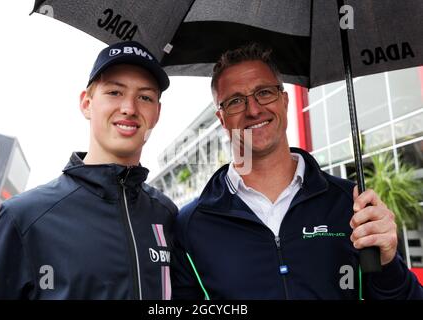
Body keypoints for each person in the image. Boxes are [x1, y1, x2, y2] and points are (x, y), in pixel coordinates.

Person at [171, 43, 423, 299]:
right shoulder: (191, 224)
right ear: (222, 118)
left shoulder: (351, 204)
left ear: (284, 100)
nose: (254, 109)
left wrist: (389, 263)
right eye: (236, 101)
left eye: (264, 92)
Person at [0, 41, 177, 299]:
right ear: (86, 103)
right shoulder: (25, 216)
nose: (129, 108)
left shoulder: (167, 213)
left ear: (157, 112)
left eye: (145, 97)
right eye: (114, 92)